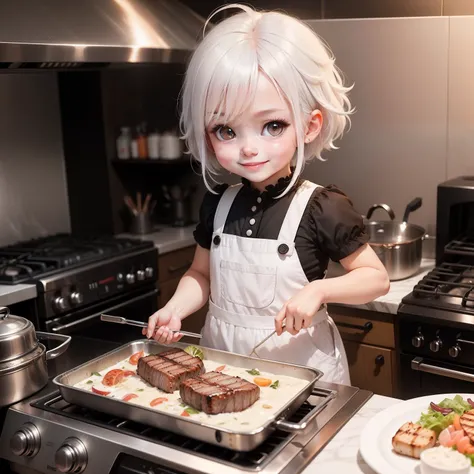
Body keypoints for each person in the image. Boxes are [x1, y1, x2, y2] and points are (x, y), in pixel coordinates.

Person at [144, 3, 390, 384]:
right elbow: (200, 274)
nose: (249, 148)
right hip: (223, 368)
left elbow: (375, 279)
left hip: (303, 375)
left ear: (309, 126)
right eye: (226, 130)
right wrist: (175, 307)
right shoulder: (219, 204)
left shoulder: (323, 207)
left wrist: (320, 291)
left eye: (272, 126)